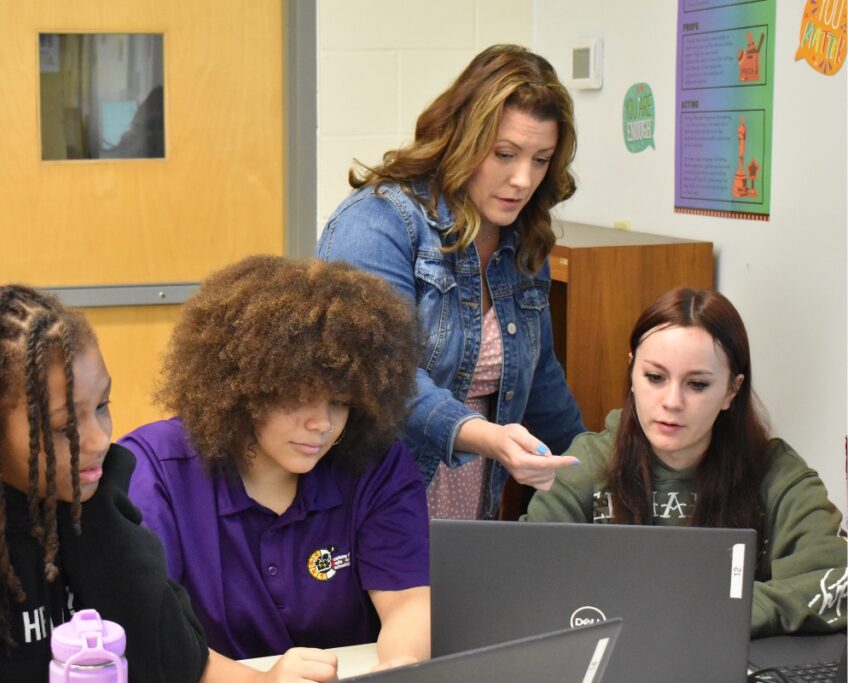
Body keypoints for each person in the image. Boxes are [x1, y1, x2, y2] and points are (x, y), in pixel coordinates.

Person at [0, 285, 337, 683]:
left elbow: (177, 657)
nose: (99, 440)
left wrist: (264, 677)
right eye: (66, 427)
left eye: (103, 407)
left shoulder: (85, 495)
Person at [121, 256, 431, 672]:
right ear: (243, 387)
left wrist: (399, 670)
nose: (322, 423)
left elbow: (409, 598)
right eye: (298, 397)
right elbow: (146, 630)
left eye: (340, 401)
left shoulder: (376, 464)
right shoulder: (156, 470)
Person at [316, 44, 583, 520]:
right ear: (462, 139)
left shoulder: (523, 242)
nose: (523, 179)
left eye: (541, 160)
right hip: (369, 499)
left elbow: (543, 387)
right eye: (505, 154)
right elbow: (383, 378)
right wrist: (488, 437)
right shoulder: (378, 223)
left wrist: (597, 475)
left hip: (471, 497)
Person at [523, 288, 848, 637]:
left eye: (697, 384)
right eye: (655, 377)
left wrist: (715, 615)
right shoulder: (586, 465)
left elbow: (834, 582)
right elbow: (524, 575)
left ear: (731, 391)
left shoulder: (776, 473)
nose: (672, 402)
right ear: (632, 373)